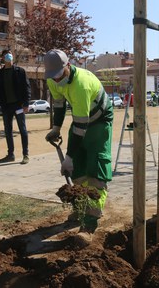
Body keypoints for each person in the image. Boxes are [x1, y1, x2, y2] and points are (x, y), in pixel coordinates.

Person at [44, 49, 113, 238]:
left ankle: (90, 223)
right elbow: (58, 104)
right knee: (78, 167)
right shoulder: (52, 79)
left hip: (100, 119)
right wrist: (56, 128)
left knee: (95, 167)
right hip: (80, 118)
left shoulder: (81, 85)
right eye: (53, 77)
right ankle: (81, 207)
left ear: (67, 66)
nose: (56, 80)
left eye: (58, 76)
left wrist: (68, 157)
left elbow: (81, 128)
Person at [0, 49, 31, 164]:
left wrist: (26, 104)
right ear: (2, 58)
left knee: (22, 130)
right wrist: (0, 102)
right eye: (5, 55)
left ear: (12, 56)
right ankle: (11, 154)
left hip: (19, 105)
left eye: (10, 54)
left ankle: (25, 154)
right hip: (6, 107)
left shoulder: (20, 71)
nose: (8, 56)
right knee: (7, 131)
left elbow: (27, 88)